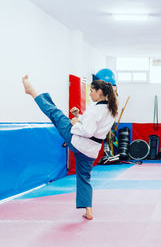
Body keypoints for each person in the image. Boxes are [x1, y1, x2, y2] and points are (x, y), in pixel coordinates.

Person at [22, 75, 118, 220]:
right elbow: (93, 128)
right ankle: (88, 210)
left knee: (55, 113)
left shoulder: (94, 110)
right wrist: (78, 117)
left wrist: (75, 123)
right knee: (84, 178)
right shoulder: (111, 111)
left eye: (92, 90)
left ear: (99, 92)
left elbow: (87, 131)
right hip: (90, 151)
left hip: (78, 142)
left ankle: (32, 91)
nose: (90, 94)